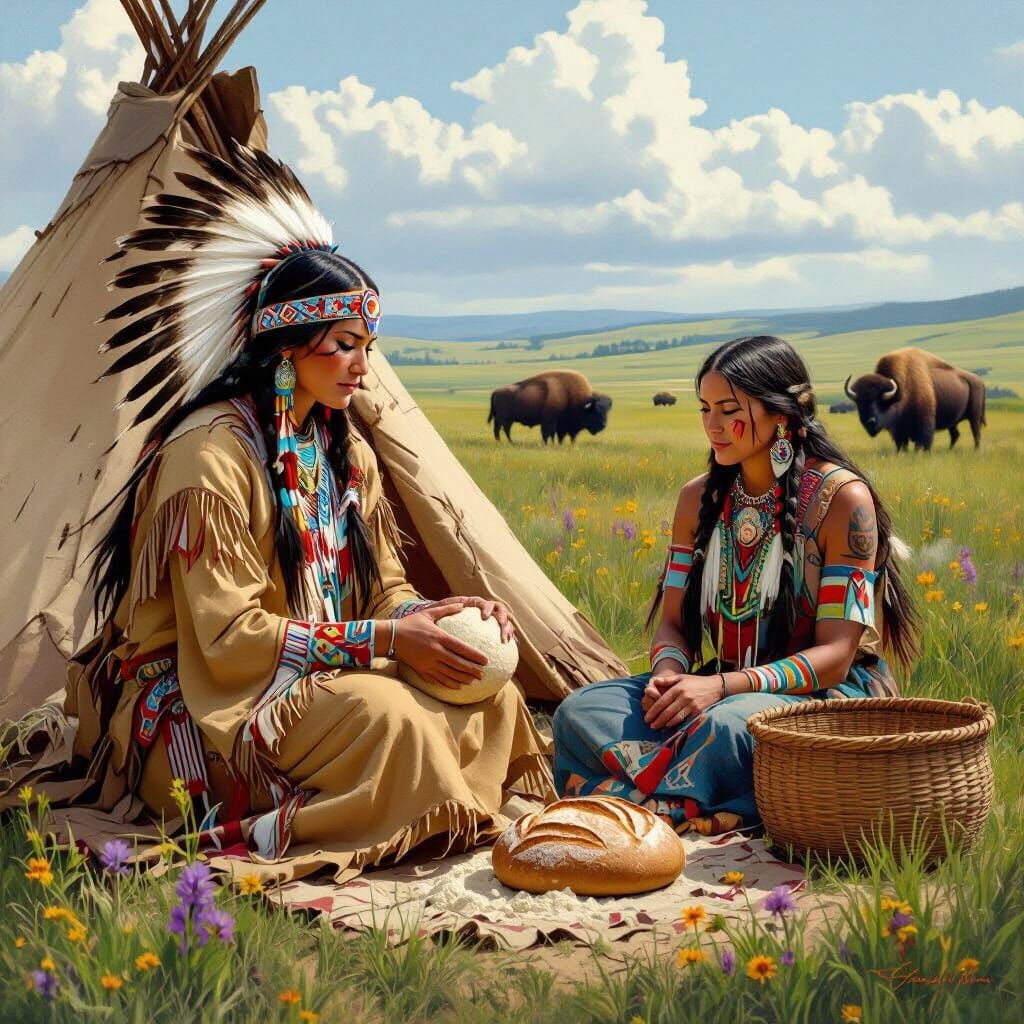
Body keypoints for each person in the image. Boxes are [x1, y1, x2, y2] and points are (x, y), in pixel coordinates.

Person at [66, 145, 551, 881]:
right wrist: (388, 640)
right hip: (204, 695)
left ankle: (442, 808)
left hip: (313, 668)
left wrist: (435, 616)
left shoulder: (342, 449)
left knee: (492, 694)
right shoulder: (209, 457)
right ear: (288, 351)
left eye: (369, 347)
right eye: (346, 347)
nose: (364, 366)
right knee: (391, 720)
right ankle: (376, 815)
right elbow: (228, 640)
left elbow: (383, 585)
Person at [552, 335, 920, 835]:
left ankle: (637, 801)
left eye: (728, 410)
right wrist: (667, 677)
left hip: (816, 696)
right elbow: (672, 625)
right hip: (713, 689)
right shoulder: (696, 500)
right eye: (705, 409)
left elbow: (835, 655)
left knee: (726, 727)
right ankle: (686, 802)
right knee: (582, 710)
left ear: (782, 414)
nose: (712, 425)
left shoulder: (842, 500)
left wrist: (720, 688)